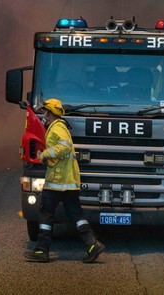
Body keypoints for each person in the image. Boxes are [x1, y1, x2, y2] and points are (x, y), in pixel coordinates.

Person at [24, 98, 106, 264]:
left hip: (58, 180)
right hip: (67, 181)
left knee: (46, 212)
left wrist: (45, 154)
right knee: (76, 214)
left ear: (52, 112)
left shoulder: (57, 127)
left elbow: (65, 147)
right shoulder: (59, 126)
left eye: (46, 111)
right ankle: (92, 244)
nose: (44, 115)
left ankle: (41, 249)